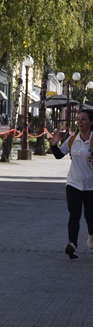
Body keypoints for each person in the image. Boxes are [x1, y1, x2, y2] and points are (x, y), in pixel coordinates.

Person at [49, 109, 93, 260]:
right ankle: (72, 244)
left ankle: (91, 235)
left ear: (91, 122)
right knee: (74, 215)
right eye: (78, 119)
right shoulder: (73, 140)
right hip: (74, 184)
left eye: (83, 119)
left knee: (90, 217)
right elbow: (59, 155)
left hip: (91, 186)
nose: (80, 122)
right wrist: (54, 144)